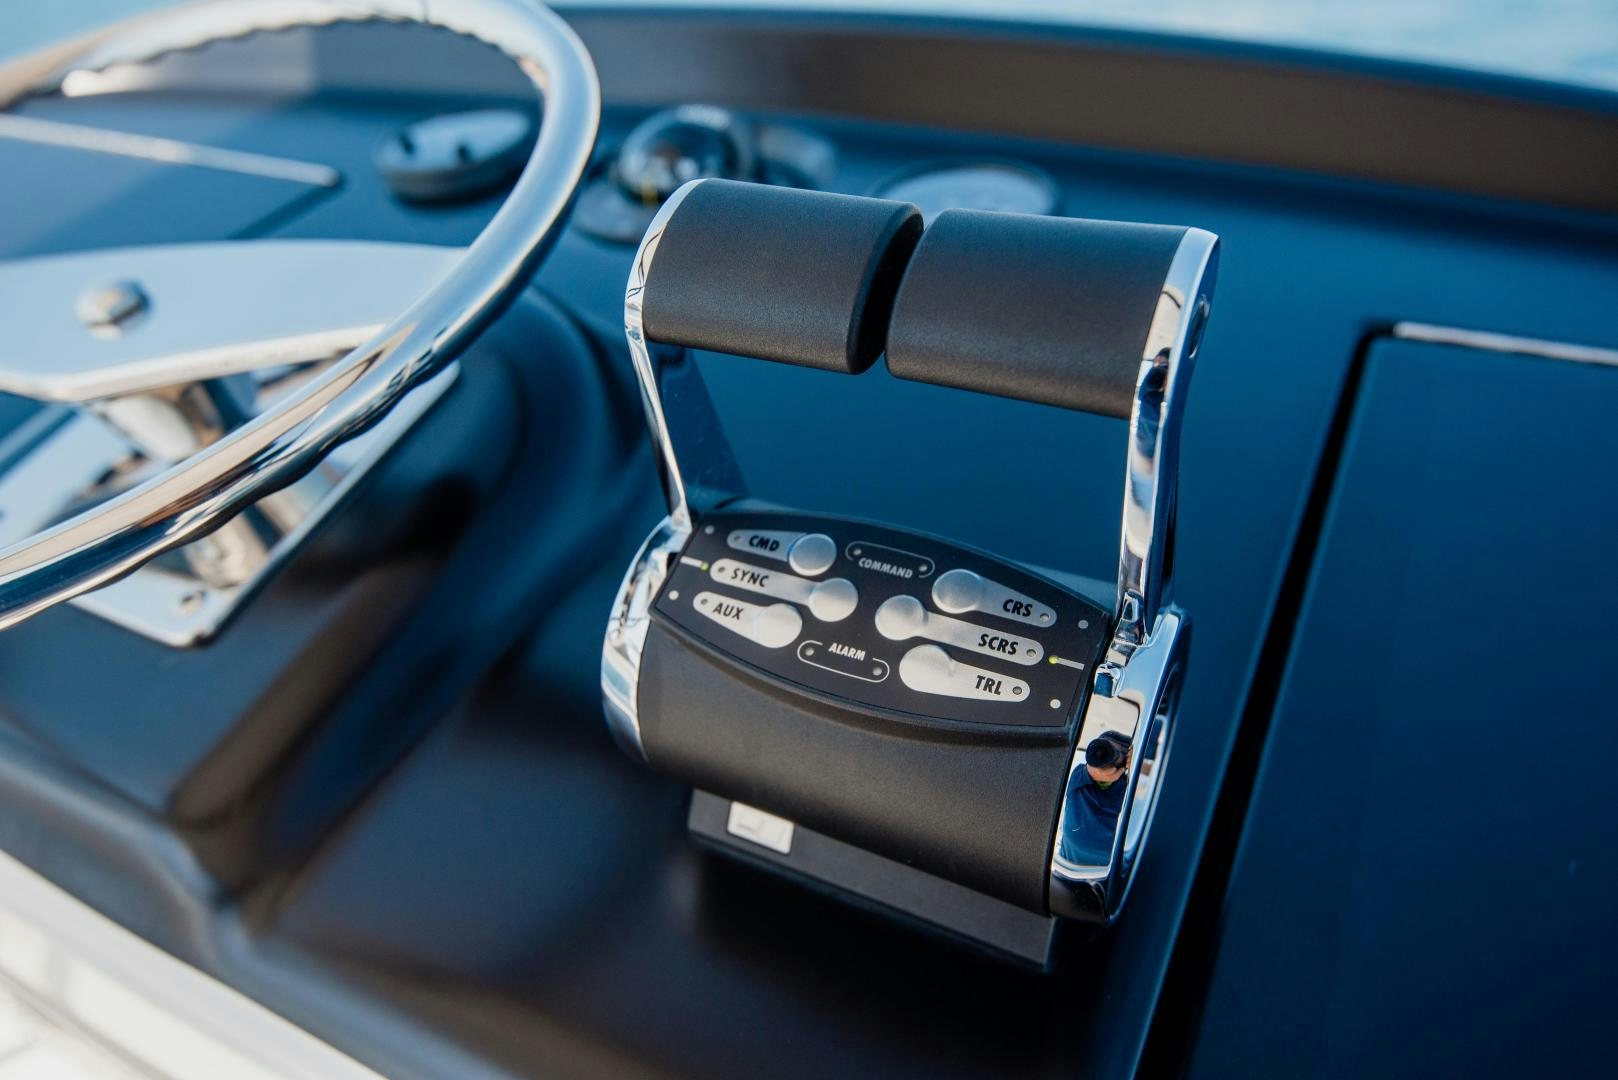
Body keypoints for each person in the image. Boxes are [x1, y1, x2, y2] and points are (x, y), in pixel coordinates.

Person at [1058, 730, 1132, 866]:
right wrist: (1094, 770)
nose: (1103, 755)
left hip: (1111, 876)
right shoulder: (1079, 778)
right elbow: (1090, 771)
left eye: (1119, 751)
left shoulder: (1131, 785)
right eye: (1103, 748)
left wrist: (1139, 766)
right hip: (1067, 873)